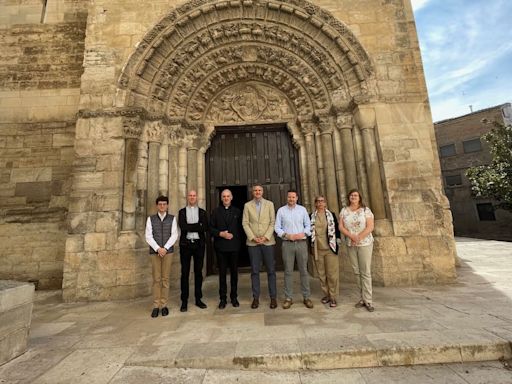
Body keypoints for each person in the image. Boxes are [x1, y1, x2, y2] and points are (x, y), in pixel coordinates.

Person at [275, 189, 313, 309]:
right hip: (287, 244)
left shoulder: (302, 210)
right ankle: (288, 298)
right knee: (288, 271)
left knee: (303, 271)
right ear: (287, 198)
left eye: (293, 197)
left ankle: (306, 297)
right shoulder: (281, 211)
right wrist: (286, 235)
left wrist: (302, 234)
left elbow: (308, 226)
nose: (291, 199)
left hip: (301, 243)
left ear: (297, 198)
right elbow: (277, 227)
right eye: (289, 197)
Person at [339, 189, 375, 312]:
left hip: (365, 243)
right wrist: (351, 236)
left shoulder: (366, 210)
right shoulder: (344, 210)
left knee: (365, 271)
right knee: (356, 271)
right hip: (351, 243)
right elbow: (341, 226)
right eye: (351, 195)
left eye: (356, 195)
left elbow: (370, 226)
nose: (353, 197)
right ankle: (362, 298)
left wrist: (359, 237)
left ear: (360, 198)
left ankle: (368, 300)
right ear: (349, 197)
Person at [242, 184, 277, 309]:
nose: (257, 192)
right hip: (253, 243)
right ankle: (256, 298)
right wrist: (253, 237)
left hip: (267, 242)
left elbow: (273, 222)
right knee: (255, 271)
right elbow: (245, 223)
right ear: (253, 192)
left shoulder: (270, 204)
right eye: (255, 190)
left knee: (271, 271)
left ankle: (273, 298)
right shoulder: (247, 206)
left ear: (262, 192)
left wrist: (266, 237)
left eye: (259, 190)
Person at [145, 195, 179, 318]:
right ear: (157, 205)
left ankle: (164, 305)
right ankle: (156, 305)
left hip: (168, 252)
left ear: (167, 205)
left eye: (164, 204)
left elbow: (174, 235)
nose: (162, 206)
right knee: (156, 279)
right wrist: (158, 248)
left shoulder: (172, 219)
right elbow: (148, 236)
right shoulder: (151, 219)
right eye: (160, 204)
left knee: (165, 279)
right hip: (155, 252)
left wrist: (165, 248)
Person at [210, 189, 242, 309]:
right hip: (221, 247)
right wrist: (221, 234)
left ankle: (234, 297)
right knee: (222, 274)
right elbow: (211, 229)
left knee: (234, 273)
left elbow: (241, 229)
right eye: (224, 196)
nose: (226, 198)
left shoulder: (237, 211)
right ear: (221, 198)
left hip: (234, 247)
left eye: (228, 196)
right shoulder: (215, 211)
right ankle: (222, 298)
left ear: (232, 197)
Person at [177, 190, 209, 312]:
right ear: (187, 197)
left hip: (199, 245)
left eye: (194, 195)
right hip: (185, 245)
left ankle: (198, 299)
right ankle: (184, 301)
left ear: (197, 198)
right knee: (184, 273)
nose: (192, 197)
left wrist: (192, 226)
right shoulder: (181, 212)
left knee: (198, 273)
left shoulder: (202, 212)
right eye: (190, 195)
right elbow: (183, 226)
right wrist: (197, 226)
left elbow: (204, 227)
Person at [310, 196, 341, 307]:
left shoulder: (331, 215)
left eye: (322, 201)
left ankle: (333, 296)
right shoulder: (311, 216)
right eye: (318, 201)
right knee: (322, 274)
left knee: (332, 274)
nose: (320, 203)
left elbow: (337, 230)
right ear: (315, 203)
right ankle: (326, 294)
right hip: (317, 249)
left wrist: (338, 243)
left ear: (325, 203)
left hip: (330, 248)